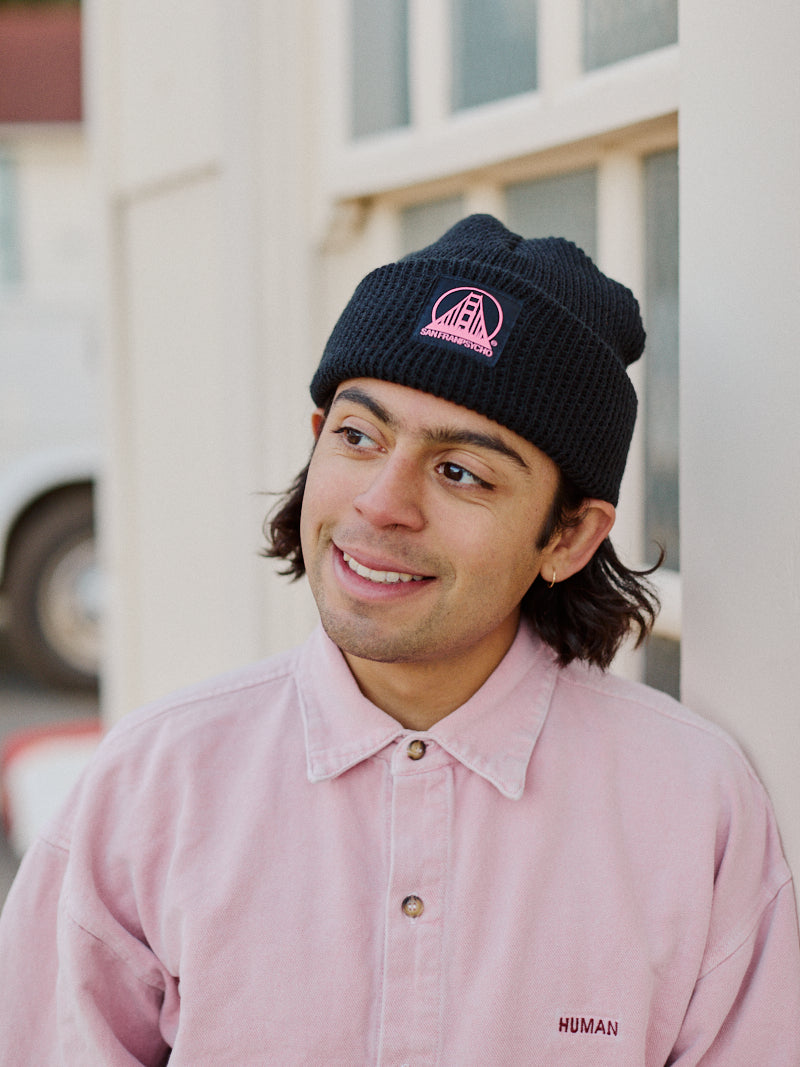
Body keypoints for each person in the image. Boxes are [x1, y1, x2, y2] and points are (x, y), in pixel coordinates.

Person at [1, 214, 798, 1064]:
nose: (381, 503)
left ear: (569, 536)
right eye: (359, 437)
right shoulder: (155, 784)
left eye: (462, 471)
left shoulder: (692, 806)